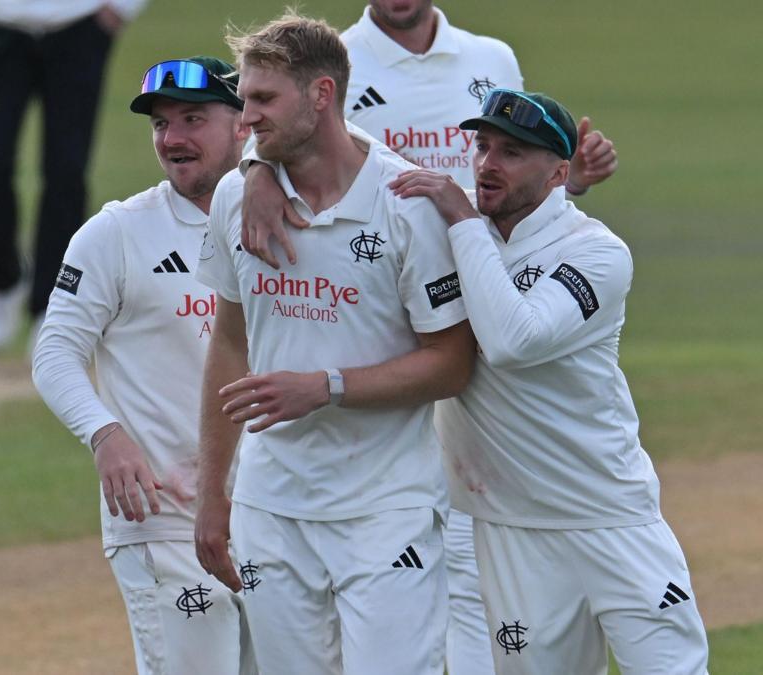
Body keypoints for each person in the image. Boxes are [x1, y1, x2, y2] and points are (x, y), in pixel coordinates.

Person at [234, 3, 617, 671]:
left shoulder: (490, 58)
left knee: (470, 573)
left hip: (480, 318)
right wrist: (255, 173)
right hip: (386, 322)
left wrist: (565, 184)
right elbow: (285, 128)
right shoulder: (336, 53)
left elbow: (511, 162)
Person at [384, 89, 708, 673]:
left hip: (609, 517)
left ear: (559, 173)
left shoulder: (596, 252)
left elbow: (514, 341)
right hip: (510, 529)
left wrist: (461, 220)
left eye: (512, 152)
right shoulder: (451, 240)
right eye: (482, 146)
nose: (486, 164)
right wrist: (254, 172)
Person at [194, 14, 476, 673]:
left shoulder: (405, 204)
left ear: (322, 95)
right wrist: (213, 490)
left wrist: (326, 386)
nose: (246, 119)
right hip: (272, 506)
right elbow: (229, 344)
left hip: (386, 507)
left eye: (264, 100)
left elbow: (453, 362)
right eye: (245, 100)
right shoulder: (238, 194)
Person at [32, 56, 255, 674]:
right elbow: (54, 352)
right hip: (163, 517)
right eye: (160, 124)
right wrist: (105, 433)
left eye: (192, 118)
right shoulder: (117, 233)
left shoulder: (285, 221)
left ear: (245, 125)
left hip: (274, 511)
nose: (173, 139)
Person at [0, 0, 148, 351]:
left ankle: (50, 303)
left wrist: (122, 7)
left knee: (66, 172)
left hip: (79, 21)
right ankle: (2, 278)